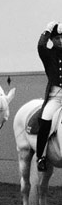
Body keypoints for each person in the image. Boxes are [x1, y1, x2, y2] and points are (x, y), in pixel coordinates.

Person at [35, 21, 62, 171]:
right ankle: (41, 156)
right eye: (57, 38)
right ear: (52, 40)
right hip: (56, 98)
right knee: (45, 121)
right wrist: (47, 31)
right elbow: (40, 46)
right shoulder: (48, 54)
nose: (61, 41)